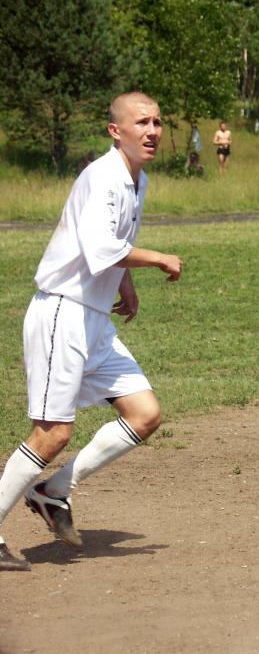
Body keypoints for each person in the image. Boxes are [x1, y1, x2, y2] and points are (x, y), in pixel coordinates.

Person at [0, 92, 184, 571]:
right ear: (115, 130)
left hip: (93, 319)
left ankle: (51, 491)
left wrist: (126, 285)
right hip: (63, 313)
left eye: (158, 122)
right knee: (53, 433)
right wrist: (159, 258)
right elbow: (104, 250)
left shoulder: (135, 180)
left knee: (144, 413)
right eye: (141, 122)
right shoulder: (103, 177)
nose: (152, 131)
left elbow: (113, 247)